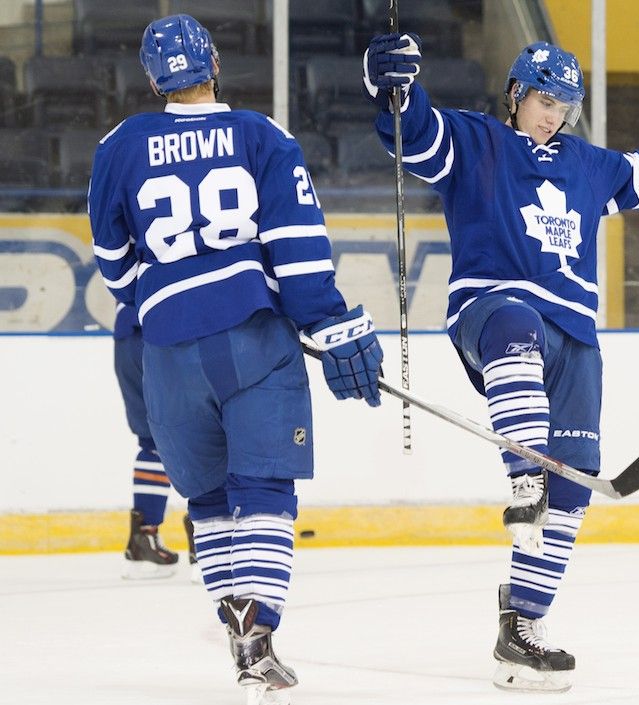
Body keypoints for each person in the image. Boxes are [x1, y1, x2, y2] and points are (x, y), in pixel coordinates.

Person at [362, 34, 639, 692]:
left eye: (566, 106)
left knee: (575, 485)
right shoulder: (476, 142)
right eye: (545, 100)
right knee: (520, 331)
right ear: (516, 94)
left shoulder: (585, 165)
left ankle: (522, 627)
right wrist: (394, 89)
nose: (554, 116)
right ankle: (525, 481)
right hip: (495, 309)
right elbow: (417, 134)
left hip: (575, 333)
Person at [89, 15, 383, 704]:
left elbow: (113, 260)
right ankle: (260, 640)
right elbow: (298, 244)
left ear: (155, 77)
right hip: (250, 335)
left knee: (211, 499)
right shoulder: (260, 135)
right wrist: (324, 318)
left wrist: (164, 303)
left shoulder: (118, 145)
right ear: (214, 64)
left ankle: (236, 632)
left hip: (164, 350)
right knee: (266, 489)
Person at [114, 300, 201, 582]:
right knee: (205, 434)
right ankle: (209, 542)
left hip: (128, 337)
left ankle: (143, 541)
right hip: (171, 333)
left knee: (152, 442)